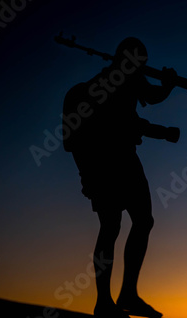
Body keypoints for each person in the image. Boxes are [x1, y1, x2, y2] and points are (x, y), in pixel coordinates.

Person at [63, 37, 179, 318]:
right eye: (141, 64)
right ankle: (106, 301)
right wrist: (168, 90)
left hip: (122, 161)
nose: (142, 71)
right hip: (109, 163)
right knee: (113, 226)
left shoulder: (125, 79)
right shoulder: (112, 83)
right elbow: (137, 110)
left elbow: (145, 101)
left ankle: (125, 294)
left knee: (137, 221)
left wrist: (166, 86)